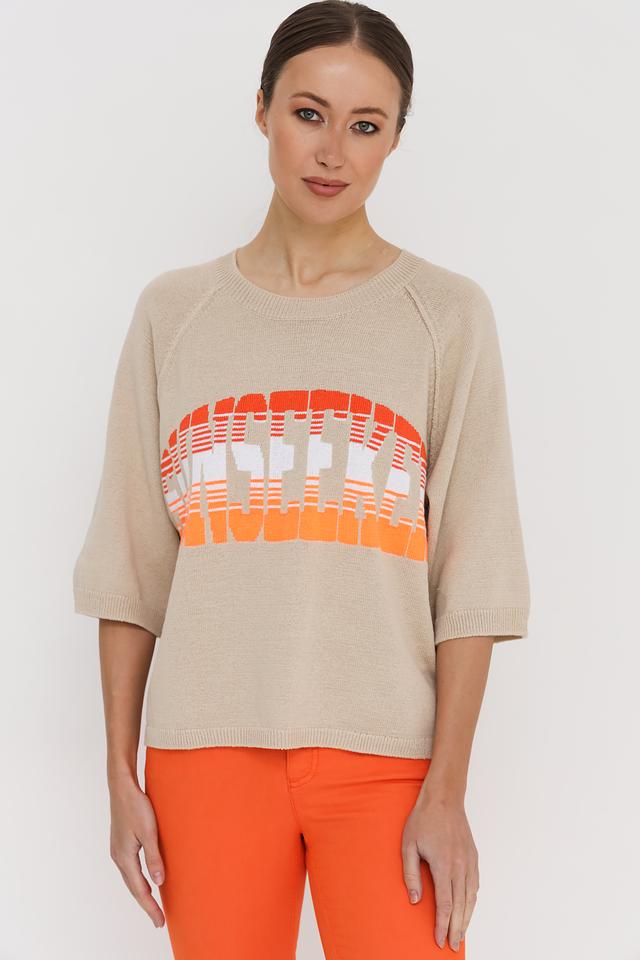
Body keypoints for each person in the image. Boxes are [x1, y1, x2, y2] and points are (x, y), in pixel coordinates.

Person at [72, 1, 530, 957]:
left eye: (366, 125)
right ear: (262, 110)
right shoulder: (175, 315)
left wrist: (448, 790)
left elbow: (475, 575)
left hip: (390, 762)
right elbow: (131, 563)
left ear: (396, 139)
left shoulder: (445, 317)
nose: (332, 152)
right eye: (308, 113)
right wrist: (120, 774)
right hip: (203, 756)